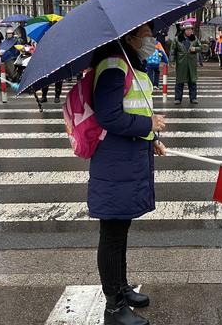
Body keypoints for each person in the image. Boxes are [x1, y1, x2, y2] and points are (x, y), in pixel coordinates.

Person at [89, 22, 165, 325]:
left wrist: (153, 138)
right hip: (114, 163)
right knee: (111, 234)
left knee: (121, 230)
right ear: (130, 36)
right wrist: (149, 126)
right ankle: (114, 307)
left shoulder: (130, 62)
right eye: (146, 34)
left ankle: (121, 287)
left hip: (128, 159)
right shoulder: (112, 65)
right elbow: (110, 116)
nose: (150, 39)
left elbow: (132, 108)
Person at [170, 22, 201, 105]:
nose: (189, 31)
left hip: (191, 63)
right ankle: (178, 98)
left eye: (190, 29)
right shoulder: (177, 39)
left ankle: (193, 98)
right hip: (181, 63)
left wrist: (195, 48)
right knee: (179, 81)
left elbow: (200, 47)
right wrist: (172, 61)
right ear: (184, 30)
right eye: (187, 29)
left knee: (192, 81)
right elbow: (173, 51)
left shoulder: (194, 38)